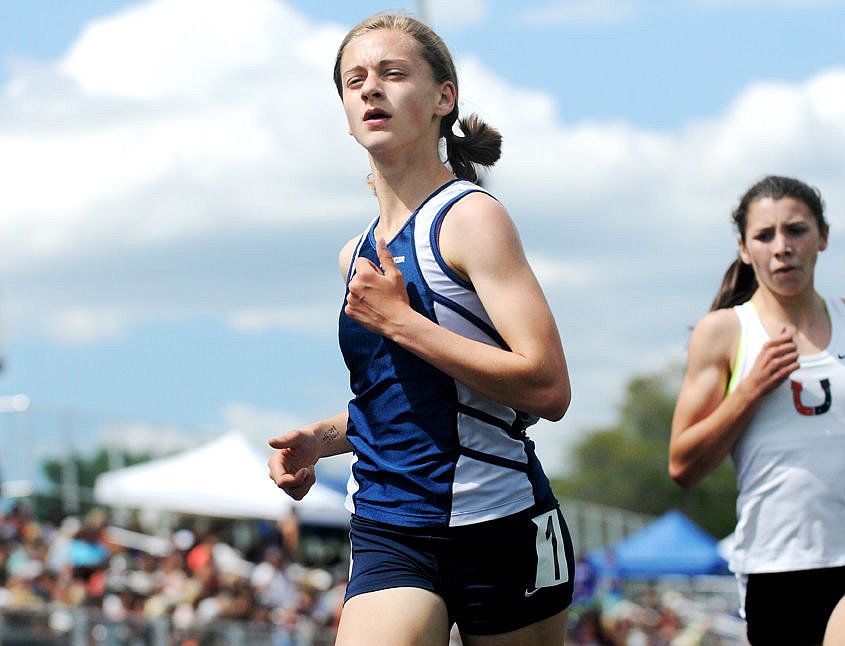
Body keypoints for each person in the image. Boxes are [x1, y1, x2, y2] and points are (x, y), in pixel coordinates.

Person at [267, 11, 575, 646]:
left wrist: (403, 323)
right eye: (354, 81)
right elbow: (409, 401)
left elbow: (547, 388)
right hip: (389, 525)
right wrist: (324, 438)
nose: (371, 89)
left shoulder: (471, 218)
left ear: (444, 98)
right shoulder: (353, 254)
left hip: (500, 520)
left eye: (392, 73)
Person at [669, 175, 845, 645]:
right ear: (745, 249)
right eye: (765, 236)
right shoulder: (724, 332)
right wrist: (748, 391)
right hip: (777, 564)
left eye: (796, 230)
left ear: (823, 236)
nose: (782, 247)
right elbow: (682, 466)